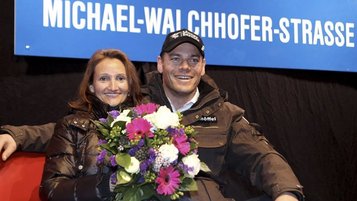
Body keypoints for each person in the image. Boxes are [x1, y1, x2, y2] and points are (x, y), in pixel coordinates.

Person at [0, 29, 304, 201]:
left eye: (192, 59)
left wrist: (287, 193)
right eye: (175, 58)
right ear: (160, 63)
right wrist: (18, 134)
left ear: (202, 66)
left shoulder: (225, 115)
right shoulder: (135, 104)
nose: (184, 67)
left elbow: (264, 157)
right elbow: (81, 129)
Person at [39, 48, 143, 200]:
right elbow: (51, 190)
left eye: (120, 78)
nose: (113, 87)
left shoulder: (147, 125)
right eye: (104, 79)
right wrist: (106, 185)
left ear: (129, 86)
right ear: (92, 87)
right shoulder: (71, 127)